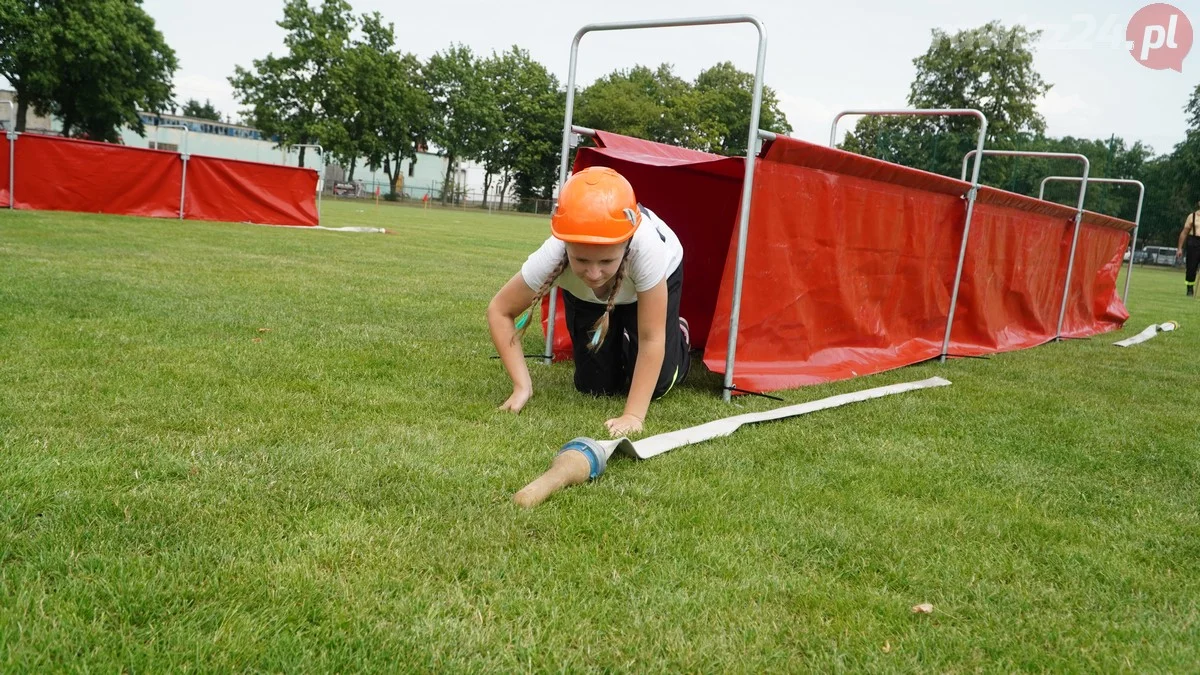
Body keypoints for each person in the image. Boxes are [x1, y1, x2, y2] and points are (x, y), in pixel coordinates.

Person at [487, 166, 691, 437]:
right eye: (581, 260)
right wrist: (522, 386)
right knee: (594, 386)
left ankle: (678, 335)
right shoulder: (552, 256)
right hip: (587, 300)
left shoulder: (648, 250)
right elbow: (500, 311)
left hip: (651, 283)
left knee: (658, 386)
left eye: (607, 261)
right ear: (566, 247)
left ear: (627, 245)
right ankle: (621, 339)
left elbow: (652, 338)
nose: (594, 274)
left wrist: (632, 415)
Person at [1178, 200, 1200, 297]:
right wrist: (1179, 248)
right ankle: (1190, 289)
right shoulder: (1192, 216)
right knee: (1191, 267)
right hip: (1193, 242)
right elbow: (1184, 232)